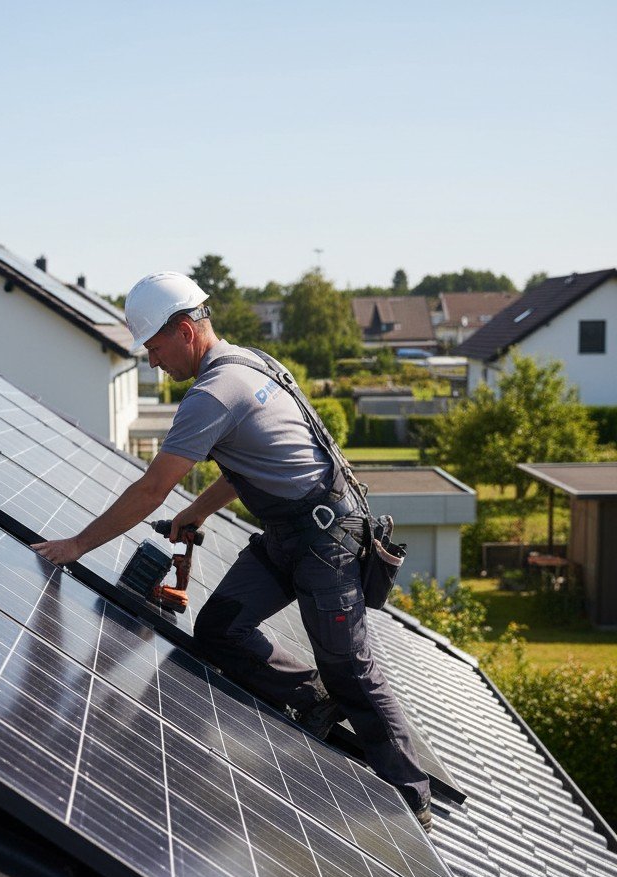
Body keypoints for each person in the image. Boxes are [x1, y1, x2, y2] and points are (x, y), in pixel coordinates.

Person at [33, 271, 432, 831]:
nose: (153, 363)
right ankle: (314, 699)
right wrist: (197, 511)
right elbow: (249, 461)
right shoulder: (248, 364)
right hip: (290, 535)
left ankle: (409, 800)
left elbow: (152, 488)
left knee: (350, 666)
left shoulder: (215, 391)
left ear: (184, 329)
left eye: (154, 348)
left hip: (325, 540)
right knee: (220, 629)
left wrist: (77, 544)